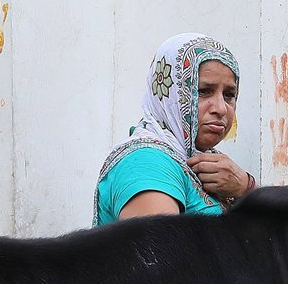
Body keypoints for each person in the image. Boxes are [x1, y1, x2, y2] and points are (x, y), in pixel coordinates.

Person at [94, 33, 257, 226]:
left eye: (229, 95)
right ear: (170, 95)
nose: (221, 108)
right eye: (203, 91)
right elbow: (162, 254)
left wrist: (246, 188)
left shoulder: (206, 161)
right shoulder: (147, 165)